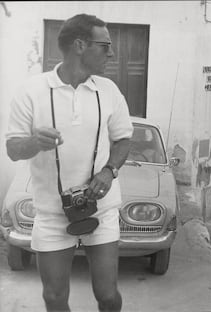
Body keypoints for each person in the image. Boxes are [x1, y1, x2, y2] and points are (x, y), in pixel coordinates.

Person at [5, 14, 133, 312]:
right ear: (79, 45)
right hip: (51, 212)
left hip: (100, 208)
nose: (111, 53)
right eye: (105, 45)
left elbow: (124, 139)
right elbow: (13, 149)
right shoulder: (32, 92)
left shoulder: (109, 91)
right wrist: (35, 142)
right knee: (53, 297)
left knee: (108, 295)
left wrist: (109, 171)